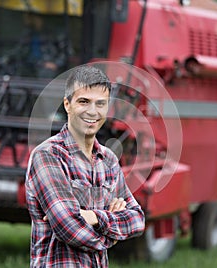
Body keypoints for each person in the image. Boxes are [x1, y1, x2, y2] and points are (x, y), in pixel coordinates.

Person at [25, 65, 145, 267]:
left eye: (101, 104)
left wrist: (93, 217)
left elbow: (137, 219)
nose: (92, 111)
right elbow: (69, 228)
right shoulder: (48, 156)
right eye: (84, 102)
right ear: (67, 104)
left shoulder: (108, 160)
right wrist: (111, 235)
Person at [0, 12, 68, 78]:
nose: (24, 19)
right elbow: (17, 51)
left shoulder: (55, 34)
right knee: (6, 73)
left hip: (45, 68)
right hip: (27, 66)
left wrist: (56, 64)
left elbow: (67, 52)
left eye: (27, 16)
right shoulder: (28, 33)